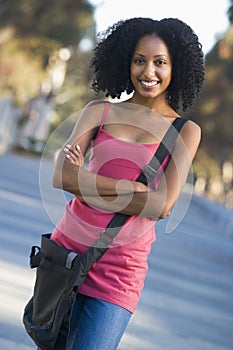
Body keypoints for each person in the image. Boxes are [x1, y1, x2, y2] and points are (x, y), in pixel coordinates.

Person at [51, 17, 205, 350]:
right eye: (140, 60)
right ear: (126, 62)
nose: (148, 71)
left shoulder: (185, 132)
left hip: (119, 273)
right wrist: (134, 189)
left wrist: (86, 182)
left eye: (159, 62)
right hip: (65, 256)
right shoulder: (98, 111)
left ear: (175, 66)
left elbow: (161, 206)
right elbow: (62, 176)